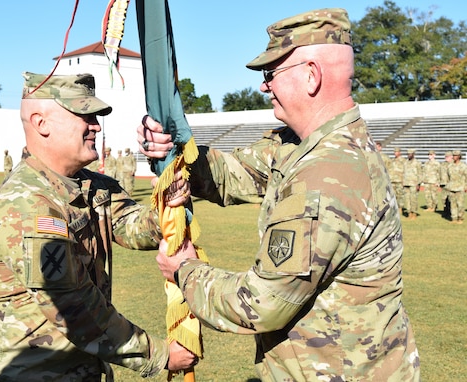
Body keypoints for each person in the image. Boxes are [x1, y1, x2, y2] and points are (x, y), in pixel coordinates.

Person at [141, 8, 420, 381]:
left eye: (270, 74)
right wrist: (174, 152)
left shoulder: (328, 175)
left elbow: (261, 304)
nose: (263, 85)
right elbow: (232, 174)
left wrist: (186, 271)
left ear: (311, 75)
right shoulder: (300, 145)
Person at [0, 72, 196, 381]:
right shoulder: (27, 203)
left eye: (96, 116)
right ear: (41, 122)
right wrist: (161, 354)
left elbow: (136, 227)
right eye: (84, 115)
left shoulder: (94, 186)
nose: (96, 126)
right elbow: (74, 308)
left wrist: (169, 202)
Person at [446, 150, 467, 224]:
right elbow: (448, 176)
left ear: (459, 157)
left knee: (460, 204)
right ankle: (454, 218)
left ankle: (460, 218)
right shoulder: (450, 166)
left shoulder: (463, 166)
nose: (454, 157)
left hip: (460, 187)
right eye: (453, 155)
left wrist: (466, 186)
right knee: (453, 204)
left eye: (455, 155)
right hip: (452, 187)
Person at [403, 148, 422, 219]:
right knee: (407, 199)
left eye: (410, 154)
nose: (409, 155)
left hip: (414, 183)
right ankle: (409, 212)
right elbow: (404, 173)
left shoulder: (417, 163)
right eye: (408, 154)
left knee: (413, 199)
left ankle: (414, 213)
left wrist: (418, 183)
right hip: (406, 183)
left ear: (413, 154)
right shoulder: (405, 163)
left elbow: (420, 174)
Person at [389, 147, 405, 214]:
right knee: (393, 195)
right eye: (394, 152)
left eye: (397, 152)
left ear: (399, 152)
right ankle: (394, 208)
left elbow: (405, 170)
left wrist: (404, 180)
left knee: (400, 195)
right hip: (393, 180)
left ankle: (400, 208)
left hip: (399, 180)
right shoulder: (392, 160)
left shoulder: (403, 161)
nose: (395, 153)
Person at [440, 150, 453, 218]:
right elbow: (439, 173)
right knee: (444, 199)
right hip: (443, 184)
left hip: (451, 185)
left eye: (447, 156)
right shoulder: (443, 164)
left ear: (451, 157)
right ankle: (446, 211)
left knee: (451, 199)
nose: (446, 158)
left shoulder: (453, 164)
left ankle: (452, 212)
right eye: (445, 156)